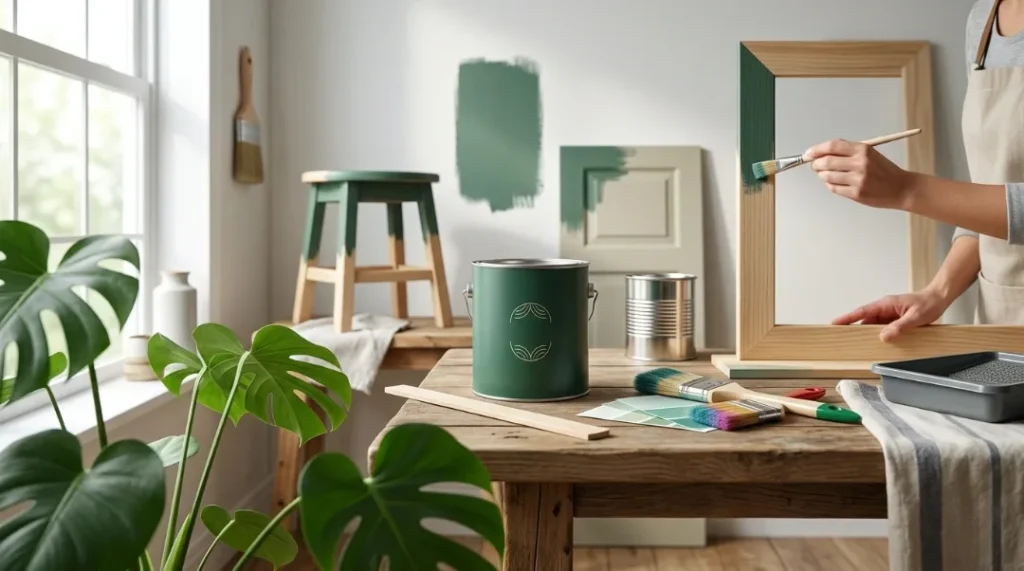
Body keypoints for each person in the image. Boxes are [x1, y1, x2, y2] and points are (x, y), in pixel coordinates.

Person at [804, 0, 1024, 341]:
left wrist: (906, 190)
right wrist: (937, 292)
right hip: (1001, 325)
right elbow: (989, 190)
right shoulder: (984, 19)